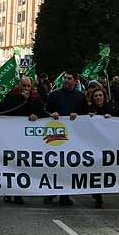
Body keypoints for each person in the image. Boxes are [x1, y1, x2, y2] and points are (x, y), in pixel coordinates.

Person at [0, 75, 45, 205]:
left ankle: (18, 193)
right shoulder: (11, 96)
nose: (26, 88)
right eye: (23, 85)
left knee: (21, 165)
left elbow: (42, 112)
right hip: (11, 137)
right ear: (19, 85)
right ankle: (8, 191)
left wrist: (37, 116)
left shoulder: (36, 98)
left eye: (28, 86)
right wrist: (21, 99)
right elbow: (5, 111)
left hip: (25, 140)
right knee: (10, 165)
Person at [44, 72, 84, 206]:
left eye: (69, 78)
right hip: (55, 136)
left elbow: (86, 115)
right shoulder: (54, 95)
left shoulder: (80, 97)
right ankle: (50, 193)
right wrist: (51, 113)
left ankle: (65, 194)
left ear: (75, 81)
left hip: (74, 138)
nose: (66, 80)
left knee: (68, 166)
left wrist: (78, 115)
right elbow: (44, 111)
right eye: (65, 78)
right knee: (54, 165)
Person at [80, 85, 115, 208]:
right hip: (92, 144)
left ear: (104, 96)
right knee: (94, 170)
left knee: (102, 171)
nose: (98, 97)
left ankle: (98, 192)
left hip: (106, 145)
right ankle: (97, 195)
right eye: (96, 96)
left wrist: (111, 118)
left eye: (100, 95)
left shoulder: (110, 108)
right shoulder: (89, 110)